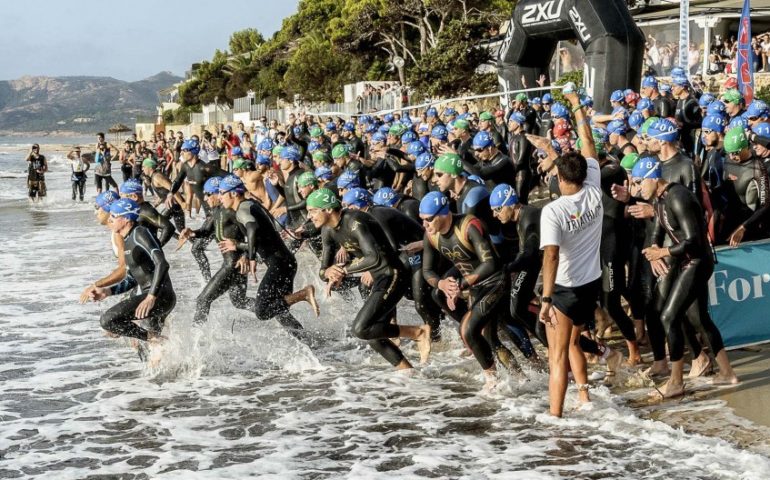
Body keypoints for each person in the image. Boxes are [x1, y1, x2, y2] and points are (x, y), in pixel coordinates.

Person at [625, 157, 739, 398]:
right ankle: (727, 373)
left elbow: (694, 240)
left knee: (668, 315)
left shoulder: (678, 197)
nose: (637, 188)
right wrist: (654, 251)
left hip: (698, 261)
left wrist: (663, 252)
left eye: (638, 182)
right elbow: (659, 227)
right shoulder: (660, 198)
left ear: (654, 178)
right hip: (689, 261)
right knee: (699, 319)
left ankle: (676, 381)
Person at [536, 90, 616, 417]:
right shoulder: (594, 189)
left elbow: (551, 257)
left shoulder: (553, 211)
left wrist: (545, 298)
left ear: (559, 177)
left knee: (557, 356)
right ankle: (584, 398)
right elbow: (588, 144)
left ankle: (554, 417)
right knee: (572, 344)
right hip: (590, 284)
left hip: (566, 289)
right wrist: (577, 106)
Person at [308, 188, 432, 369]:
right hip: (379, 278)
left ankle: (418, 332)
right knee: (372, 333)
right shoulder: (327, 230)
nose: (309, 216)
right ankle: (407, 372)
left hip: (393, 274)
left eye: (313, 211)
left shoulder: (354, 221)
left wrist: (344, 271)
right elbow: (323, 270)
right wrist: (329, 273)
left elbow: (374, 257)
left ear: (328, 209)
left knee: (361, 328)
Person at [420, 191, 517, 388]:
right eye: (422, 220)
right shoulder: (431, 234)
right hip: (475, 287)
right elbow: (427, 270)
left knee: (468, 330)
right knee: (488, 338)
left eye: (429, 220)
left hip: (495, 282)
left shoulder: (469, 225)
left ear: (443, 213)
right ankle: (521, 377)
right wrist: (442, 284)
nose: (425, 225)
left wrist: (461, 285)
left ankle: (492, 380)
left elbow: (490, 264)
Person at [218, 175, 317, 339]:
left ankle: (304, 294)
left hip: (279, 265)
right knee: (281, 313)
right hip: (286, 262)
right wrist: (240, 246)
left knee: (262, 311)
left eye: (222, 192)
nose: (220, 197)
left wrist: (250, 258)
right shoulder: (251, 204)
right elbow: (263, 237)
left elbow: (252, 229)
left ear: (234, 193)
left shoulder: (242, 209)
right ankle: (310, 343)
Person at [87, 199, 176, 349]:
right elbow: (131, 279)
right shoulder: (128, 240)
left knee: (108, 320)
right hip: (153, 297)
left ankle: (153, 338)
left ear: (127, 218)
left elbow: (162, 263)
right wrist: (108, 291)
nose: (110, 219)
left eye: (114, 216)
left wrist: (150, 297)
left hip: (160, 297)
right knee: (147, 352)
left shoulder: (140, 233)